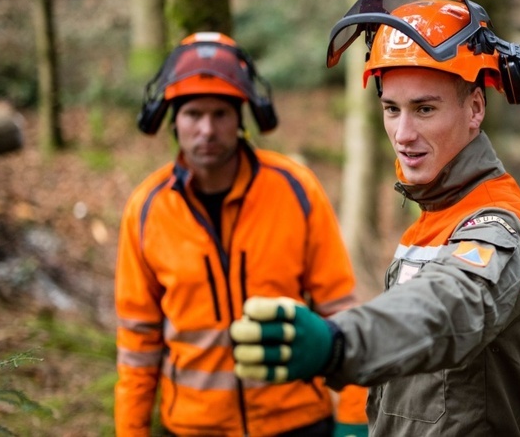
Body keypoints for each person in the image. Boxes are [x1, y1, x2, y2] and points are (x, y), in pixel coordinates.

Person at [229, 0, 520, 436]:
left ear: (474, 108)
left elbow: (447, 308)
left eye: (424, 109)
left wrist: (340, 344)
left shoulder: (499, 226)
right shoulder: (433, 216)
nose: (403, 134)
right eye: (391, 109)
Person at [114, 31, 368, 436]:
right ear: (172, 121)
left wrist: (354, 418)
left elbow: (340, 309)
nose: (207, 130)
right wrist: (131, 430)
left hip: (298, 422)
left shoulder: (295, 189)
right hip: (194, 427)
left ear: (242, 119)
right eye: (194, 114)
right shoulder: (147, 210)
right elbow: (137, 341)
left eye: (220, 113)